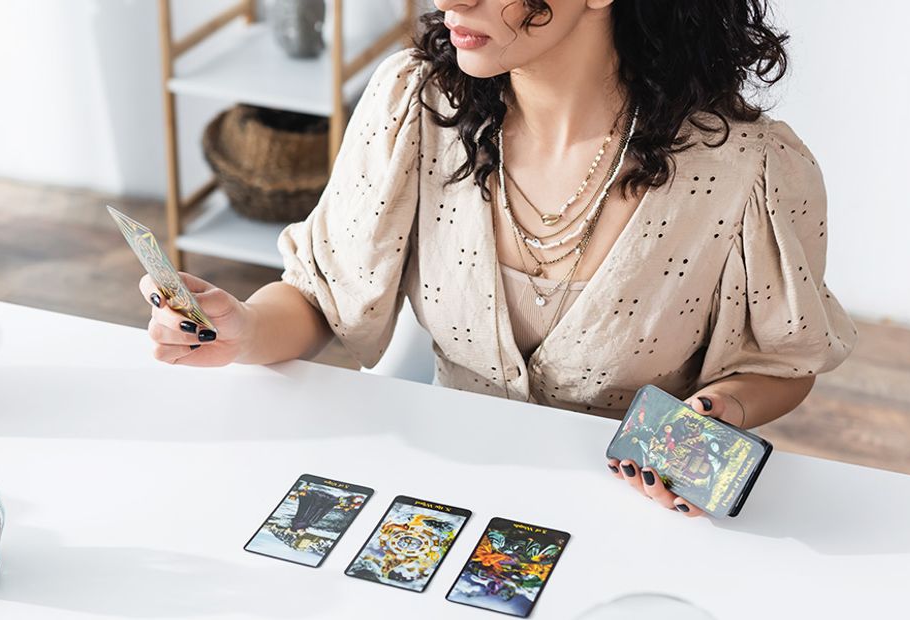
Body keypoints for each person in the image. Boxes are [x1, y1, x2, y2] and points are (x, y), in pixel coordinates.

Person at [139, 0, 856, 516]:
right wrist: (240, 330)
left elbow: (781, 363)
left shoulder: (748, 172)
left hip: (630, 518)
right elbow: (319, 295)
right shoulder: (414, 107)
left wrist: (720, 411)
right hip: (447, 496)